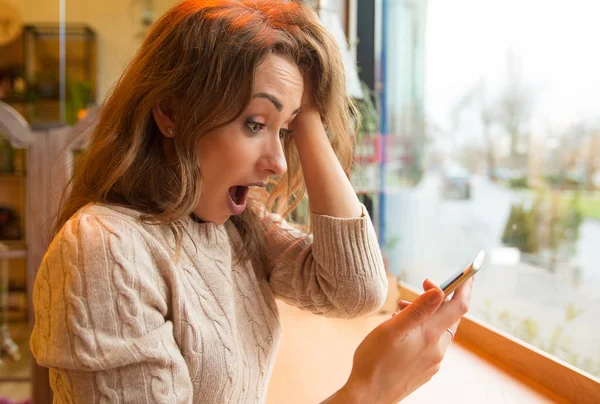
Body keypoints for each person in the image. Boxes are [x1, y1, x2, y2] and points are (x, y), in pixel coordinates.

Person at [30, 1, 473, 403]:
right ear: (171, 111)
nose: (279, 162)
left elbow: (354, 290)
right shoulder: (106, 250)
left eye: (285, 131)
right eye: (255, 124)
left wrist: (307, 111)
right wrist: (367, 392)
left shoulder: (232, 227)